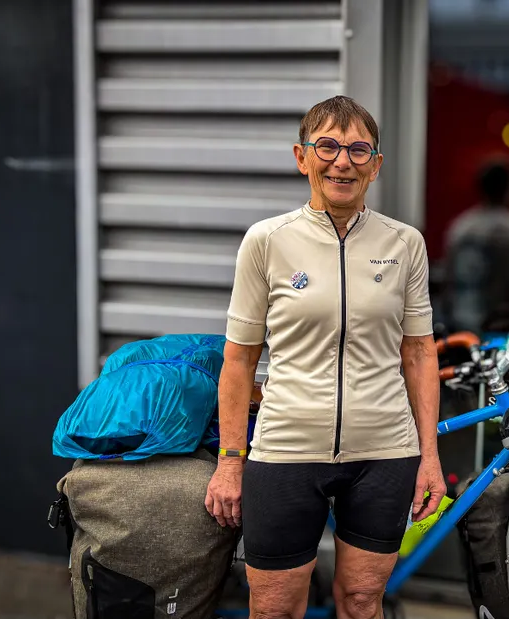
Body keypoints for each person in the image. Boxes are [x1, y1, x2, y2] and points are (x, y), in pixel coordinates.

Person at [204, 95, 446, 619]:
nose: (343, 162)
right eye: (328, 147)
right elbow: (239, 361)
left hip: (385, 451)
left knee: (362, 601)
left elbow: (420, 352)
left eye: (359, 150)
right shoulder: (267, 241)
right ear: (302, 156)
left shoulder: (405, 244)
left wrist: (428, 456)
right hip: (287, 449)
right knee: (274, 608)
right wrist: (229, 462)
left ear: (376, 165)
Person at [443, 159, 509, 333]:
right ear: (508, 188)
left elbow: (449, 278)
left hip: (461, 318)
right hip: (495, 322)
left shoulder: (460, 226)